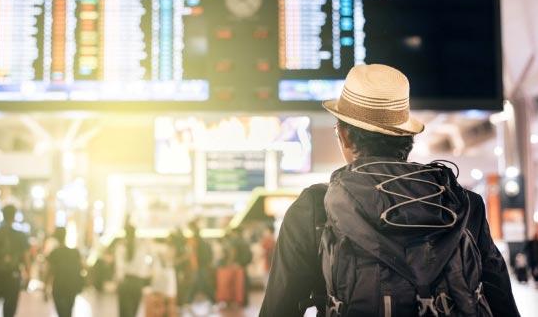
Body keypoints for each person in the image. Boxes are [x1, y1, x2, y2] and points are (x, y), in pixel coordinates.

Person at [260, 64, 520, 316]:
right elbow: (502, 304)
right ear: (407, 140)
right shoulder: (463, 205)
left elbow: (279, 307)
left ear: (344, 136)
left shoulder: (315, 208)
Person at [0, 204, 31, 317]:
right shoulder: (20, 236)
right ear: (14, 216)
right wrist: (28, 275)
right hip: (13, 277)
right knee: (9, 312)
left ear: (2, 215)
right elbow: (26, 258)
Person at [115, 224, 154, 317]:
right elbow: (148, 261)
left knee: (124, 312)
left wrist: (118, 281)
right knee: (133, 311)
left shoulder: (121, 246)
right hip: (138, 282)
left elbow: (119, 267)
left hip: (125, 282)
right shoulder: (141, 246)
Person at [45, 227, 83, 317]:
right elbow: (81, 267)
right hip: (71, 286)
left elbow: (49, 271)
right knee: (68, 311)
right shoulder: (74, 252)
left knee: (61, 312)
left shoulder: (54, 253)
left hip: (59, 286)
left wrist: (45, 288)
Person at [184, 221, 214, 304]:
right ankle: (213, 299)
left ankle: (188, 300)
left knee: (197, 282)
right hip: (201, 264)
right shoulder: (199, 238)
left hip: (198, 264)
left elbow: (191, 252)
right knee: (201, 282)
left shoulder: (194, 239)